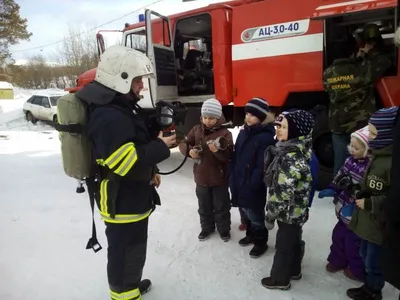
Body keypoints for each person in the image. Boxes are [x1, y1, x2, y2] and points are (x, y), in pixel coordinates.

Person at [76, 45, 176, 300]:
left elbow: (134, 143)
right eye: (138, 80)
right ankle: (124, 295)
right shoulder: (109, 115)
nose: (142, 86)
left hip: (132, 195)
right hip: (122, 201)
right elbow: (124, 161)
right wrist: (161, 147)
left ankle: (129, 286)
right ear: (120, 78)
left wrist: (150, 169)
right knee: (124, 253)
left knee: (133, 250)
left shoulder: (120, 107)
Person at [346, 107, 397, 300]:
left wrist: (371, 203)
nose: (371, 137)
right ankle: (368, 285)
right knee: (364, 252)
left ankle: (373, 291)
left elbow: (393, 196)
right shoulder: (375, 155)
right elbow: (371, 183)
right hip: (368, 221)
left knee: (373, 261)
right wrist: (360, 189)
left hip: (379, 222)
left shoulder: (391, 163)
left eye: (374, 133)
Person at [262, 110, 314, 290]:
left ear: (296, 131)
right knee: (293, 239)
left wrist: (270, 214)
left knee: (283, 246)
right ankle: (294, 270)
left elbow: (282, 192)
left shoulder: (291, 157)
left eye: (284, 127)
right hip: (296, 210)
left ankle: (280, 279)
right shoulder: (296, 148)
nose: (279, 130)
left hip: (288, 211)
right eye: (278, 126)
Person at [319, 125, 370, 282]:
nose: (352, 150)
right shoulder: (349, 160)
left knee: (353, 244)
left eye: (356, 147)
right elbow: (340, 175)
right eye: (351, 146)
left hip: (356, 215)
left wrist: (355, 201)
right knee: (338, 236)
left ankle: (356, 270)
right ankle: (337, 261)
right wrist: (333, 188)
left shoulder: (368, 168)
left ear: (368, 149)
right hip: (343, 211)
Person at [178, 98, 233, 241]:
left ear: (219, 117)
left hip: (219, 179)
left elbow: (228, 156)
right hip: (201, 178)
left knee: (221, 207)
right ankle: (206, 228)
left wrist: (217, 151)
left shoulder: (225, 133)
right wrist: (189, 151)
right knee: (204, 206)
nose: (208, 121)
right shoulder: (196, 129)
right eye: (205, 117)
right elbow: (183, 143)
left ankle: (224, 230)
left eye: (211, 118)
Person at [230, 97, 276, 258]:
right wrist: (233, 174)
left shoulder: (266, 137)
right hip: (240, 179)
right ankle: (250, 234)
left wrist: (254, 182)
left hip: (253, 183)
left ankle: (260, 242)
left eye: (253, 115)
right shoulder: (244, 132)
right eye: (247, 113)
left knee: (255, 213)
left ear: (262, 117)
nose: (248, 117)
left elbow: (262, 164)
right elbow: (237, 155)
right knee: (245, 209)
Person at [323, 36, 371, 176]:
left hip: (337, 123)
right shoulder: (360, 68)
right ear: (352, 52)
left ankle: (338, 189)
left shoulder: (327, 72)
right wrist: (369, 52)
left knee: (340, 161)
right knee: (361, 160)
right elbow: (383, 63)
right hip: (359, 124)